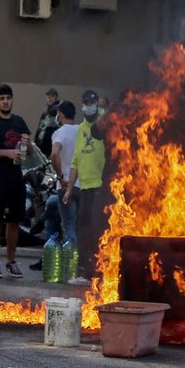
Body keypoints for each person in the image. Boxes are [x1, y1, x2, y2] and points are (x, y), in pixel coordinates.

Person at [0, 84, 31, 279]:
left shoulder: (19, 122)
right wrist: (6, 153)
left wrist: (28, 145)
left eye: (8, 98)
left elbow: (29, 152)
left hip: (15, 177)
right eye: (1, 98)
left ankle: (11, 261)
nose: (5, 101)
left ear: (12, 100)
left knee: (14, 221)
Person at [62, 90, 106, 284]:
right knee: (84, 230)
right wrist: (70, 189)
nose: (89, 105)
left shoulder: (105, 122)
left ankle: (98, 272)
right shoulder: (81, 129)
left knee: (97, 230)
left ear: (97, 104)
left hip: (101, 186)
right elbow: (75, 162)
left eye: (92, 102)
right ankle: (84, 272)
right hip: (84, 186)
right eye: (86, 102)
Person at [50, 100, 80, 246]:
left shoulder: (59, 133)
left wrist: (61, 177)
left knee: (70, 230)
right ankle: (82, 264)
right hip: (83, 186)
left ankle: (70, 266)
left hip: (66, 185)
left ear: (60, 114)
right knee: (81, 229)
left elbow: (54, 154)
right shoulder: (83, 131)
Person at [34, 88, 60, 158]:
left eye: (52, 96)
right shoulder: (45, 113)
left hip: (50, 148)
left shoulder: (58, 111)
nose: (49, 99)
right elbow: (40, 129)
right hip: (41, 147)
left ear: (56, 97)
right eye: (48, 97)